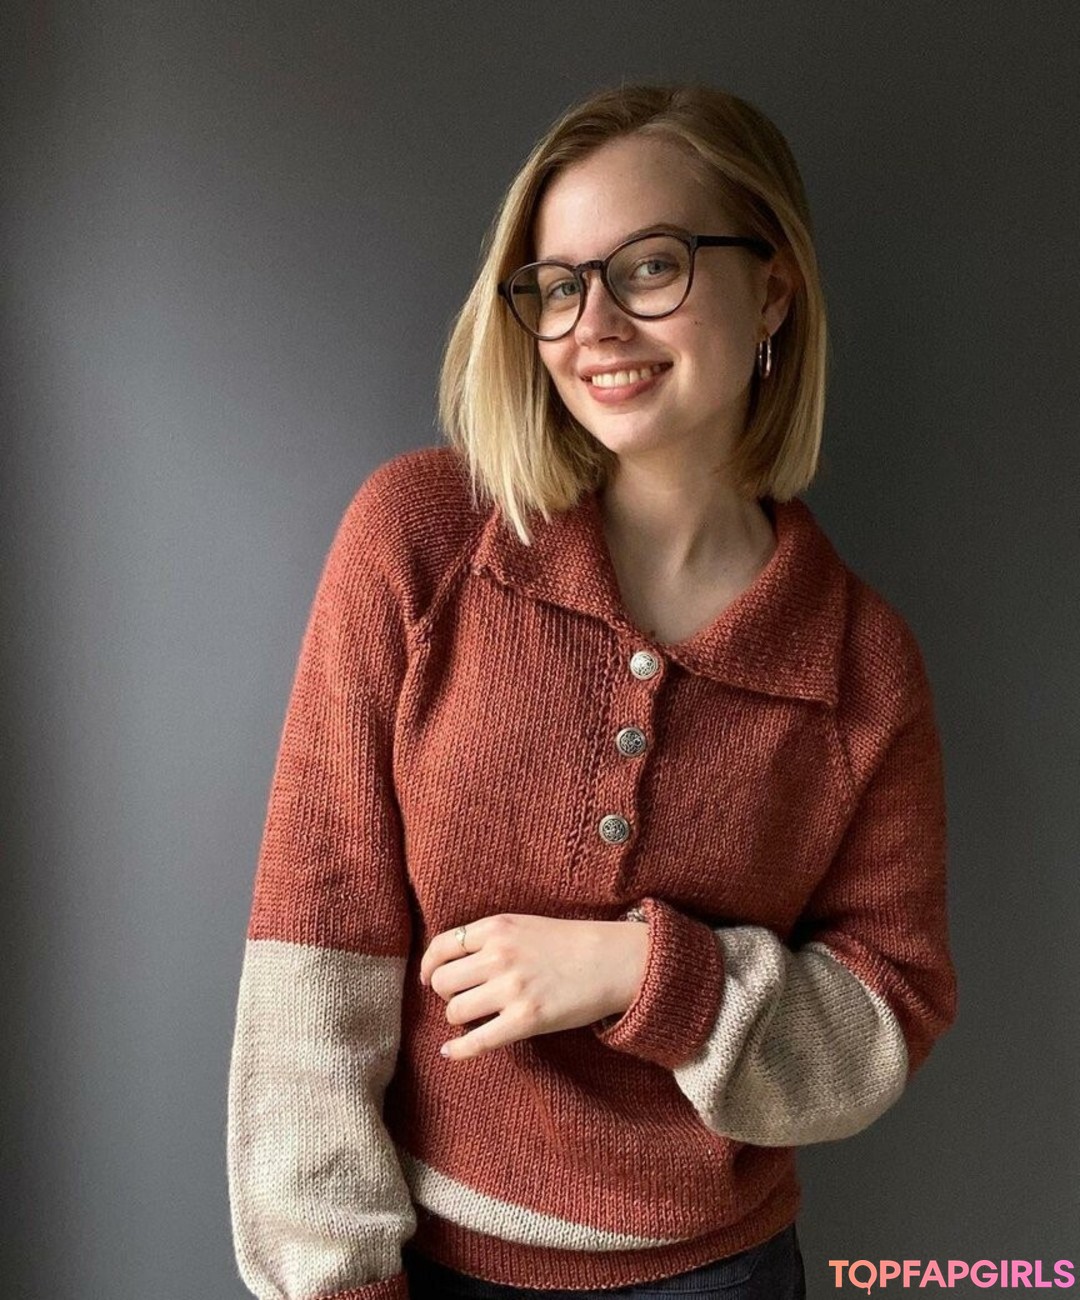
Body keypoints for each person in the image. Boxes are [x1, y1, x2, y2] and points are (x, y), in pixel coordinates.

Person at [226, 83, 958, 1300]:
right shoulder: (422, 542)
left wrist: (646, 974)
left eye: (651, 266)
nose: (595, 326)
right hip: (426, 1262)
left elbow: (888, 1014)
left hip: (721, 1274)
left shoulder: (858, 665)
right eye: (558, 285)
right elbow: (318, 944)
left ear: (774, 290)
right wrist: (333, 1282)